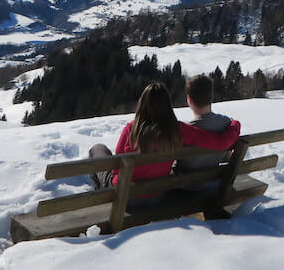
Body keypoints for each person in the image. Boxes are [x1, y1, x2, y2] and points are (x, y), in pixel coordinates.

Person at [88, 81, 240, 191]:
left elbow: (116, 170)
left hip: (126, 195)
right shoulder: (178, 130)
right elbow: (219, 142)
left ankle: (99, 195)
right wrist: (235, 125)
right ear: (168, 105)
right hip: (158, 193)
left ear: (142, 104)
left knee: (97, 149)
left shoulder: (130, 130)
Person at [174, 74, 232, 190]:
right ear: (211, 97)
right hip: (210, 183)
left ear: (189, 100)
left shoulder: (185, 131)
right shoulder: (226, 124)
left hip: (183, 188)